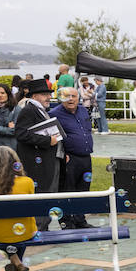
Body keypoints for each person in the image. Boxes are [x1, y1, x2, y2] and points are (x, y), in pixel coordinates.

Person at [12, 78, 63, 228]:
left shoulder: (40, 110)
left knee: (48, 193)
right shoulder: (28, 110)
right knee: (41, 193)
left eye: (49, 94)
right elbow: (21, 134)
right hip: (36, 162)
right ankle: (39, 228)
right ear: (34, 96)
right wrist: (47, 141)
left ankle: (43, 226)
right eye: (44, 94)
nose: (48, 97)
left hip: (47, 158)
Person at [49, 87, 94, 227]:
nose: (71, 99)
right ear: (61, 98)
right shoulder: (54, 114)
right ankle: (67, 222)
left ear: (78, 97)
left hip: (86, 156)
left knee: (84, 190)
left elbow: (87, 130)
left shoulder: (83, 110)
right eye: (67, 96)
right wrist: (63, 155)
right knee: (68, 190)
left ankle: (80, 220)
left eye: (74, 96)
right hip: (69, 158)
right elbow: (51, 137)